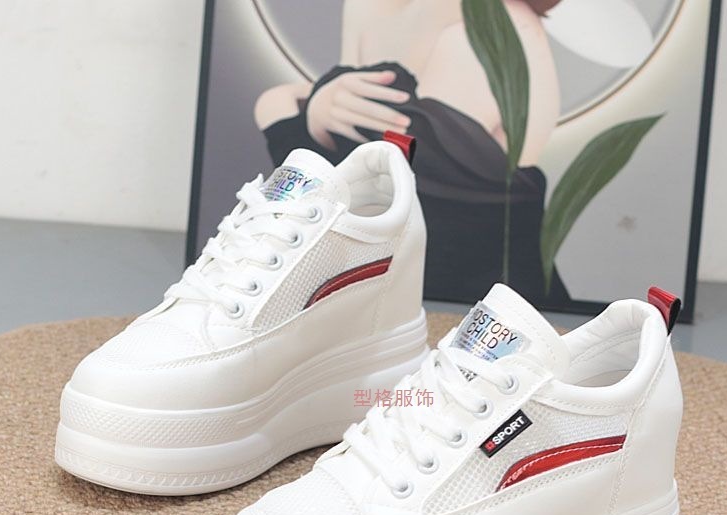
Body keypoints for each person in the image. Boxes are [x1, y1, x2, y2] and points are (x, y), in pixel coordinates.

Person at [254, 0, 654, 304]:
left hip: (475, 308)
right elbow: (343, 169)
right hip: (372, 292)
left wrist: (286, 110)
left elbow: (400, 179)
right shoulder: (370, 5)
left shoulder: (497, 22)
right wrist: (313, 109)